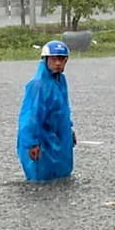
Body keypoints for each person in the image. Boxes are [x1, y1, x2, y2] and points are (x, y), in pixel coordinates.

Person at [17, 40, 77, 182]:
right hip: (41, 140)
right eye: (54, 59)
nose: (58, 63)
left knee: (60, 179)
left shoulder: (60, 81)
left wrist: (69, 129)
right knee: (41, 180)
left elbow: (63, 109)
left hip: (58, 137)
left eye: (61, 59)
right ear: (45, 60)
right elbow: (30, 116)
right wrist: (32, 143)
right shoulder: (38, 85)